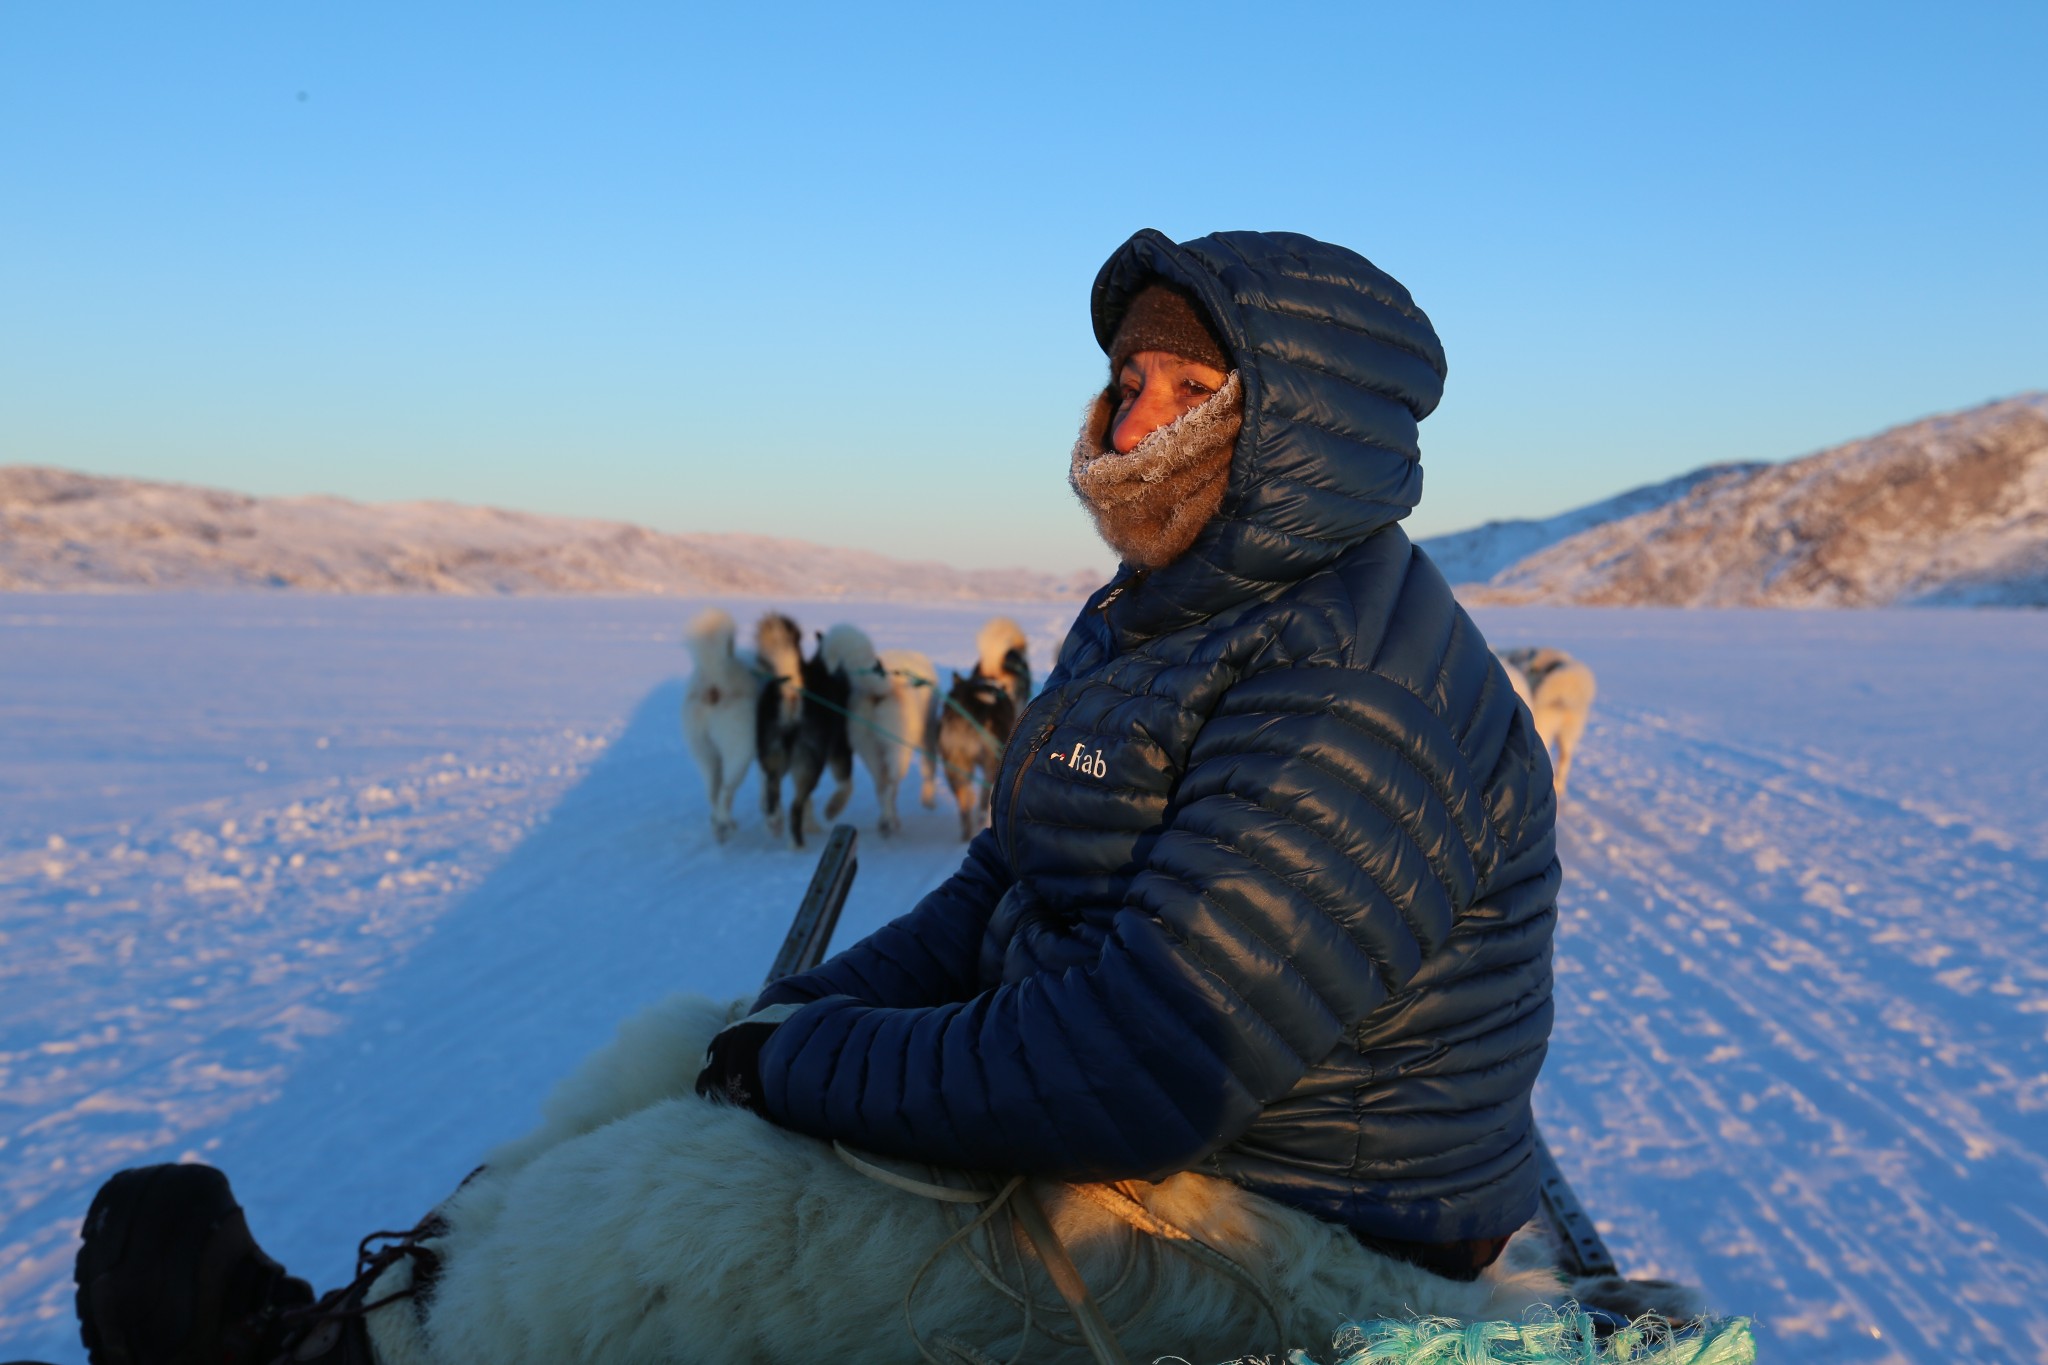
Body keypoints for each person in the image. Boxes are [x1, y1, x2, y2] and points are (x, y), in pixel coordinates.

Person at [64, 229, 1562, 1365]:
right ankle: (393, 1313)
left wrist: (803, 1076)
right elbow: (1006, 886)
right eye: (1123, 383)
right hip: (1165, 1156)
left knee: (706, 1215)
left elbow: (1142, 1065)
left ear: (1307, 427)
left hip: (1297, 1231)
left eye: (1189, 388)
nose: (1130, 426)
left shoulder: (1358, 689)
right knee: (674, 1051)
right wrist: (778, 1033)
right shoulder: (1158, 616)